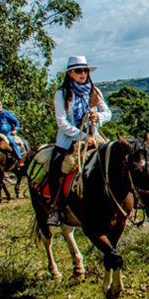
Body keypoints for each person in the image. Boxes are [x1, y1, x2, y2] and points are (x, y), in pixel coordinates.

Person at [46, 56, 111, 226]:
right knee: (55, 168)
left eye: (85, 70)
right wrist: (82, 137)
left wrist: (99, 117)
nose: (83, 73)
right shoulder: (61, 93)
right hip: (69, 140)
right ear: (70, 74)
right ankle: (56, 208)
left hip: (94, 137)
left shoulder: (94, 91)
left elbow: (107, 112)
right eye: (78, 71)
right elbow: (62, 122)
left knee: (115, 162)